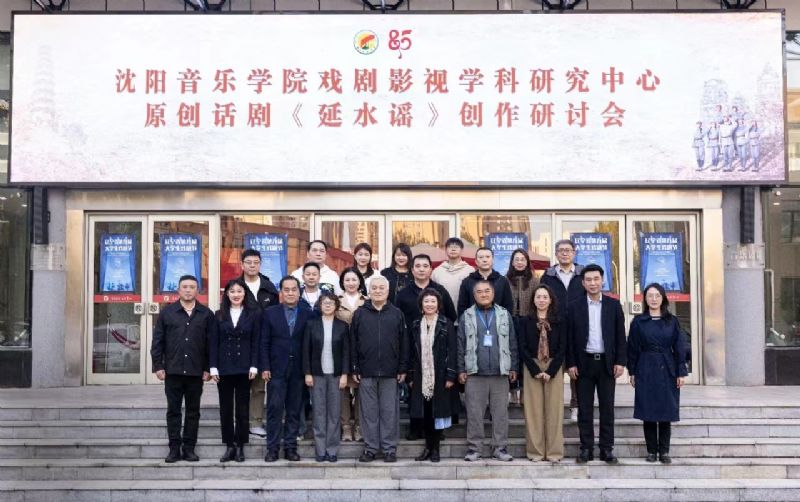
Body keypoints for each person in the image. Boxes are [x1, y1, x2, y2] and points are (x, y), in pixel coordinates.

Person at [566, 264, 627, 465]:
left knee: (607, 408)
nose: (592, 283)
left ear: (602, 281)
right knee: (584, 409)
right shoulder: (574, 306)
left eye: (596, 279)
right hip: (583, 364)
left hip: (607, 364)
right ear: (583, 283)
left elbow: (620, 336)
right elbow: (569, 338)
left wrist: (620, 361)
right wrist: (571, 363)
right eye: (588, 280)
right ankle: (586, 449)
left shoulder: (613, 305)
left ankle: (606, 449)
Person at [150, 275, 215, 463]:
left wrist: (208, 368)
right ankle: (173, 449)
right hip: (173, 371)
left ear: (198, 291)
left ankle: (189, 449)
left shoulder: (206, 314)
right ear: (178, 290)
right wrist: (158, 366)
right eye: (184, 287)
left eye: (192, 287)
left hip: (196, 372)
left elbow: (210, 344)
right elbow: (158, 341)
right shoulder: (167, 313)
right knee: (174, 411)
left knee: (193, 412)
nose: (188, 290)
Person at [395, 253, 458, 440]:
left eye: (425, 266)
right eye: (418, 266)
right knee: (416, 395)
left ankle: (436, 433)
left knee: (438, 396)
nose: (421, 269)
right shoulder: (403, 294)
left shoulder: (440, 291)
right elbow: (398, 320)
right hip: (414, 349)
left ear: (431, 269)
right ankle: (416, 429)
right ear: (412, 269)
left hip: (438, 352)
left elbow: (451, 316)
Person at [627, 283, 689, 465]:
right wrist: (632, 371)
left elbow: (679, 347)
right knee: (648, 410)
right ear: (645, 299)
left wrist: (681, 372)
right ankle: (651, 451)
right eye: (650, 296)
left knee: (665, 410)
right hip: (645, 366)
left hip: (667, 367)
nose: (653, 299)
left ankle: (664, 451)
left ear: (663, 298)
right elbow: (632, 348)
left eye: (657, 296)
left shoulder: (672, 321)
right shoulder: (638, 322)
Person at [457, 280, 518, 462]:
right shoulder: (467, 315)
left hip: (500, 373)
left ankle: (500, 448)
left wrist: (513, 366)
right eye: (479, 292)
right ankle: (474, 448)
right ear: (474, 295)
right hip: (475, 373)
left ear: (493, 293)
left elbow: (512, 342)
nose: (483, 294)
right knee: (474, 414)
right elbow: (460, 344)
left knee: (500, 414)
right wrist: (461, 369)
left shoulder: (504, 314)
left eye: (487, 291)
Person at [351, 275, 408, 463]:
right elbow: (353, 342)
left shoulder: (397, 314)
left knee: (389, 412)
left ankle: (389, 449)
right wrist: (355, 367)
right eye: (374, 288)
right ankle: (371, 448)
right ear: (368, 291)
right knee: (368, 413)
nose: (377, 291)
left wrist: (402, 367)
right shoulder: (360, 314)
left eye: (381, 288)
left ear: (388, 291)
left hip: (391, 372)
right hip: (366, 371)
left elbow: (404, 343)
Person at [261, 276, 313, 462]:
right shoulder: (270, 313)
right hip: (276, 369)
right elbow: (264, 342)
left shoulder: (308, 314)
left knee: (294, 410)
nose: (290, 293)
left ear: (299, 292)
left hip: (298, 370)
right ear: (281, 293)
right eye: (286, 290)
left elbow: (310, 344)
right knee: (274, 409)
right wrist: (265, 366)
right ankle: (272, 449)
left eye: (294, 289)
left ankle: (291, 448)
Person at [210, 278, 260, 463]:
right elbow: (213, 342)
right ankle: (229, 445)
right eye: (232, 291)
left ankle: (240, 446)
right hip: (224, 368)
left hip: (245, 368)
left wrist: (254, 365)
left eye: (239, 291)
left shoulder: (253, 314)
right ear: (227, 294)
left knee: (242, 409)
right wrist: (213, 367)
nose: (236, 295)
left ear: (245, 294)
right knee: (225, 408)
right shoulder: (218, 315)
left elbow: (256, 341)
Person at [407, 289, 457, 463]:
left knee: (438, 413)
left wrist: (450, 375)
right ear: (421, 304)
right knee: (426, 413)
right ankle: (428, 448)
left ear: (438, 304)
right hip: (421, 375)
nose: (429, 304)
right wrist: (411, 377)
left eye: (433, 301)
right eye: (426, 301)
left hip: (441, 375)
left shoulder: (446, 324)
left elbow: (452, 350)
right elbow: (410, 352)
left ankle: (435, 449)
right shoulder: (415, 325)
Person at [519, 284, 565, 462]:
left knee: (554, 411)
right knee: (533, 412)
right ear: (533, 300)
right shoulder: (525, 321)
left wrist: (551, 371)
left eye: (545, 297)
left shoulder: (559, 321)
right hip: (532, 366)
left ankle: (554, 452)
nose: (541, 300)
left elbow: (562, 348)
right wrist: (535, 370)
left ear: (551, 300)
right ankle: (535, 452)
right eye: (538, 297)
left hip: (554, 366)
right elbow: (522, 347)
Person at [302, 291, 350, 462]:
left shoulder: (342, 326)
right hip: (317, 375)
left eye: (331, 302)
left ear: (336, 306)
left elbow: (346, 352)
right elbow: (306, 350)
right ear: (319, 306)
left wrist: (344, 374)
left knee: (334, 413)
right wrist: (308, 373)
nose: (328, 305)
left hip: (336, 375)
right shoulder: (311, 324)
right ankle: (321, 450)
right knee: (319, 413)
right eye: (324, 302)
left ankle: (332, 450)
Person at [540, 239, 585, 422]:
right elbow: (542, 298)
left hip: (578, 327)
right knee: (555, 366)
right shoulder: (548, 275)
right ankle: (554, 406)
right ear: (556, 254)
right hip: (554, 327)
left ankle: (576, 406)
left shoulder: (582, 274)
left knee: (576, 369)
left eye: (568, 250)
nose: (565, 253)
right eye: (561, 250)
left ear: (574, 253)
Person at [239, 249, 279, 438]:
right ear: (242, 265)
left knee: (259, 385)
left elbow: (276, 314)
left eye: (256, 262)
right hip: (242, 342)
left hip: (265, 341)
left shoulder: (269, 287)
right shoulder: (236, 286)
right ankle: (240, 421)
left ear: (260, 264)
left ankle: (255, 422)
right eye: (248, 262)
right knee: (241, 384)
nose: (252, 265)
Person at [336, 267, 367, 442]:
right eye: (347, 280)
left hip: (362, 351)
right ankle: (346, 427)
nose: (351, 283)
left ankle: (359, 427)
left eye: (354, 279)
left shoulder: (367, 301)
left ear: (360, 281)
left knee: (362, 390)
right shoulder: (336, 301)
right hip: (341, 350)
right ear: (342, 282)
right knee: (343, 391)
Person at [506, 248, 539, 405]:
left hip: (528, 321)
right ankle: (512, 389)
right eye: (516, 259)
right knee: (511, 354)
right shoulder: (505, 280)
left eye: (522, 259)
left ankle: (525, 390)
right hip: (510, 320)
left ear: (527, 262)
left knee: (526, 354)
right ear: (512, 262)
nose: (519, 262)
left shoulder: (534, 281)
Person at [457, 247, 514, 317]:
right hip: (473, 322)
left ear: (493, 260)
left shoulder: (502, 281)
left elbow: (508, 306)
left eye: (488, 257)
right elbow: (462, 308)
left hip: (498, 321)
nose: (484, 260)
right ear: (476, 261)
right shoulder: (467, 282)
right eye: (481, 257)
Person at [431, 237, 475, 308]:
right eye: (450, 247)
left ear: (462, 250)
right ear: (445, 250)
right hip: (443, 310)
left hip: (465, 310)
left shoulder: (470, 271)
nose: (453, 249)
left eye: (456, 247)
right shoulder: (437, 272)